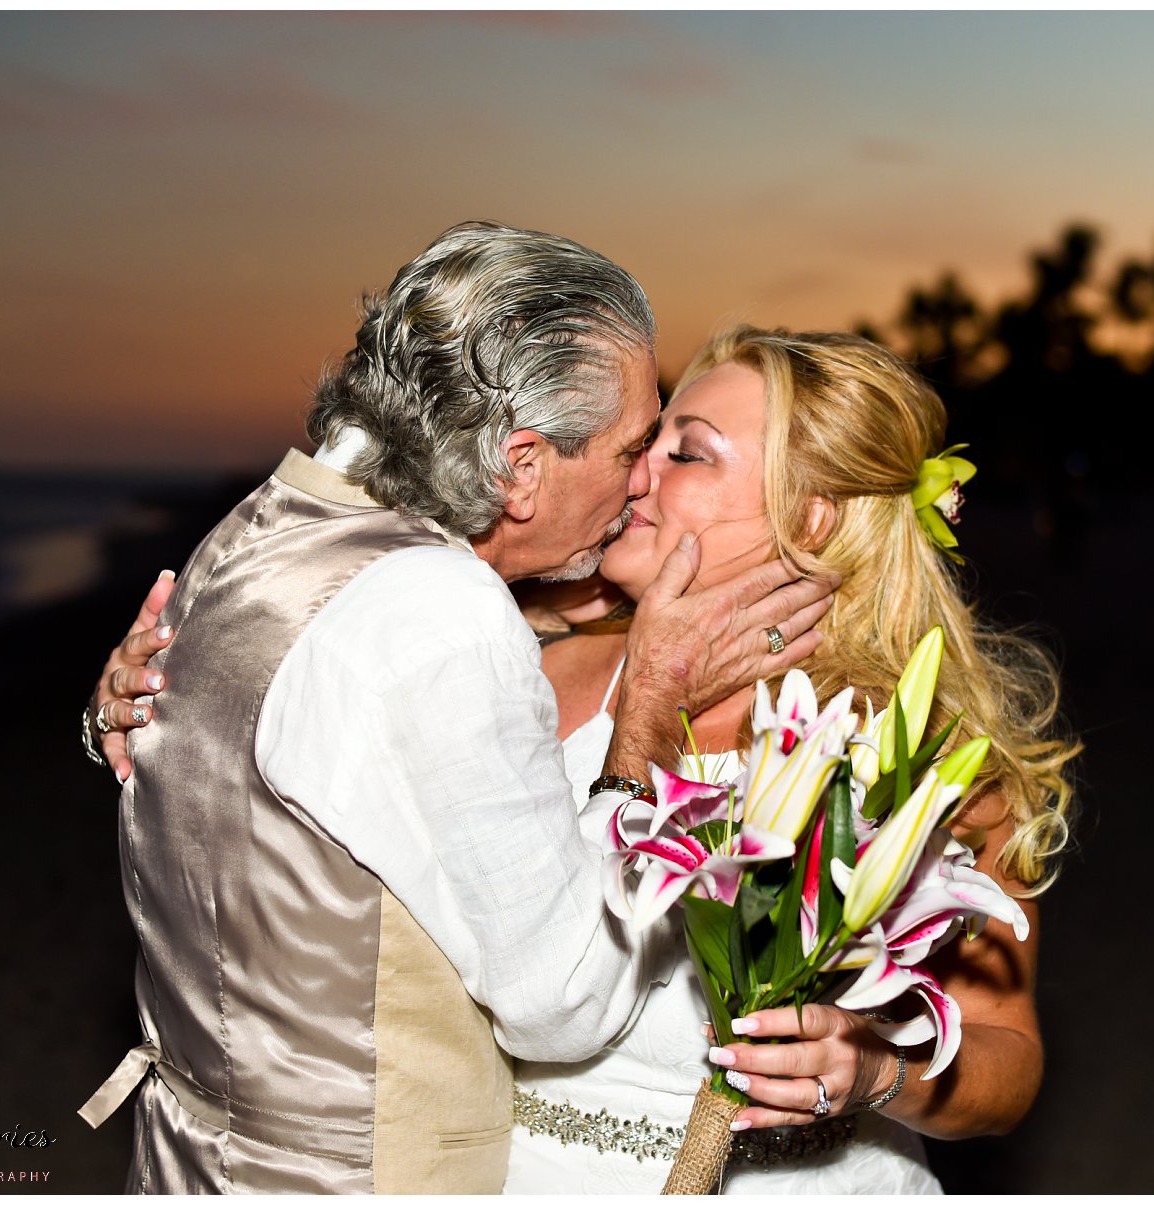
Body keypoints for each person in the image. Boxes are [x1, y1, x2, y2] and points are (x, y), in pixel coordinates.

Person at [94, 324, 1079, 1192]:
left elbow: (1008, 1052)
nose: (636, 472)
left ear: (811, 514)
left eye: (688, 453)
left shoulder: (911, 756)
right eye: (647, 443)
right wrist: (136, 698)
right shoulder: (521, 659)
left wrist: (880, 1069)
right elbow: (287, 741)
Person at [74, 224, 836, 1194]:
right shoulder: (450, 614)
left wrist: (100, 721)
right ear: (520, 466)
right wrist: (645, 709)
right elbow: (565, 999)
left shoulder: (258, 529)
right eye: (634, 445)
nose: (644, 478)